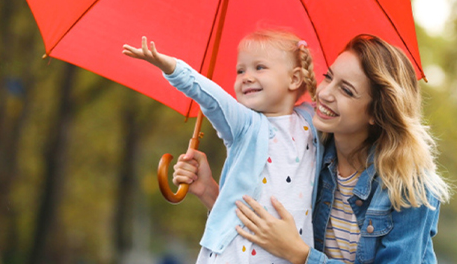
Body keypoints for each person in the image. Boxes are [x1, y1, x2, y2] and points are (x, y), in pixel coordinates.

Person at [175, 34, 451, 263]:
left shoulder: (409, 185)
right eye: (328, 77)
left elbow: (288, 245)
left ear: (376, 113)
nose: (325, 93)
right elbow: (265, 227)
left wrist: (301, 254)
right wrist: (210, 191)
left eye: (346, 91)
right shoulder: (310, 153)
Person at [123, 29, 324, 264]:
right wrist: (172, 68)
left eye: (260, 67)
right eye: (241, 70)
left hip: (288, 255)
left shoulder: (311, 122)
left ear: (294, 79)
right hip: (238, 255)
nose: (246, 77)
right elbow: (212, 98)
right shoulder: (246, 124)